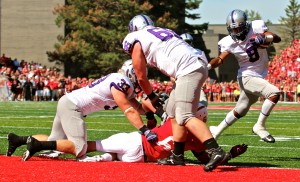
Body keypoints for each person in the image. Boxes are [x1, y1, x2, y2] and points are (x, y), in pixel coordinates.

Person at [122, 14, 227, 172]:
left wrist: (151, 96)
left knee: (184, 116)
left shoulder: (136, 38)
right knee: (171, 111)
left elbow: (141, 76)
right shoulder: (162, 31)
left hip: (188, 69)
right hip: (195, 65)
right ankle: (177, 155)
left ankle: (216, 151)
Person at [6, 64, 158, 161]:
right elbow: (129, 110)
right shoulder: (121, 81)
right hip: (73, 106)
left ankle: (18, 140)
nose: (140, 80)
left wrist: (153, 112)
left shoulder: (121, 83)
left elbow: (138, 108)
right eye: (138, 75)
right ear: (131, 72)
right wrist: (144, 130)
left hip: (68, 102)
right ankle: (35, 145)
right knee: (79, 147)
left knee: (54, 140)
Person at [207, 9, 281, 143]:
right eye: (233, 29)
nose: (237, 32)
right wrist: (207, 66)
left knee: (240, 109)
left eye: (239, 28)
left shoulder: (257, 26)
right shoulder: (228, 42)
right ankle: (260, 126)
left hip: (258, 76)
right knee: (274, 93)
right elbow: (219, 59)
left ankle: (216, 131)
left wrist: (265, 37)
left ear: (246, 25)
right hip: (246, 76)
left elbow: (277, 38)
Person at [180, 33, 208, 107]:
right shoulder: (177, 54)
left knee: (203, 104)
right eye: (184, 42)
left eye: (188, 42)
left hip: (195, 81)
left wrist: (203, 79)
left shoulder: (198, 52)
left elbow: (204, 67)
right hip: (181, 82)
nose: (186, 44)